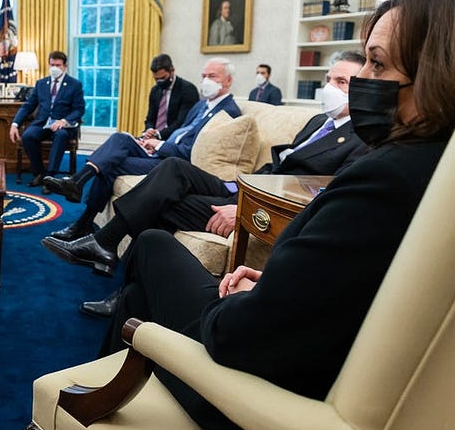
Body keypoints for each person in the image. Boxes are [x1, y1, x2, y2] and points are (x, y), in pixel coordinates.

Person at [95, 0, 455, 430]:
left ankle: (93, 405)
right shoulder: (434, 172)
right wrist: (278, 285)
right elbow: (363, 290)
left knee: (153, 250)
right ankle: (102, 403)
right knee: (140, 295)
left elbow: (237, 338)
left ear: (435, 74)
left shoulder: (385, 179)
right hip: (313, 362)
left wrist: (238, 300)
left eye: (376, 64)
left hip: (263, 415)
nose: (362, 81)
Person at [47, 52, 368, 316]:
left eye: (341, 82)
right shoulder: (317, 122)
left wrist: (242, 208)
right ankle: (105, 245)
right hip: (242, 185)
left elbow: (320, 197)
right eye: (329, 80)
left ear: (365, 88)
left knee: (162, 200)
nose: (331, 87)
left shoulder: (361, 139)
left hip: (257, 203)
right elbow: (279, 165)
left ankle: (117, 279)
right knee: (173, 169)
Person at [44, 59, 240, 241]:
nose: (206, 81)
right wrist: (153, 137)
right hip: (161, 149)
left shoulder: (228, 112)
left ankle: (83, 220)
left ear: (229, 81)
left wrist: (161, 145)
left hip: (173, 163)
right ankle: (77, 182)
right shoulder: (201, 105)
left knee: (111, 164)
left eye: (212, 76)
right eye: (204, 76)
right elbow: (180, 130)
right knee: (121, 137)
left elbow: (193, 151)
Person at [8, 51, 85, 187]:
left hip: (63, 125)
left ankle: (50, 177)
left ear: (65, 66)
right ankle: (39, 173)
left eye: (58, 65)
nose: (54, 68)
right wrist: (15, 124)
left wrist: (64, 121)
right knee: (28, 136)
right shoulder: (41, 83)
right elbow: (28, 105)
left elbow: (79, 109)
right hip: (42, 123)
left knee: (60, 135)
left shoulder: (74, 85)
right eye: (52, 65)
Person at [141, 53, 199, 140]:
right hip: (153, 138)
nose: (160, 81)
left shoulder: (188, 90)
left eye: (163, 78)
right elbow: (150, 118)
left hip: (175, 138)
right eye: (156, 79)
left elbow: (182, 122)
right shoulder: (155, 90)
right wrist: (149, 130)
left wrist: (159, 135)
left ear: (172, 71)